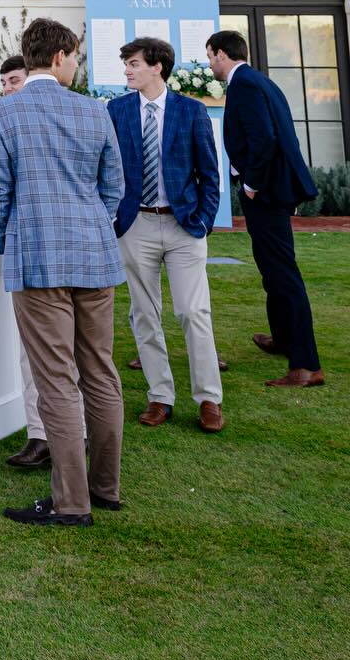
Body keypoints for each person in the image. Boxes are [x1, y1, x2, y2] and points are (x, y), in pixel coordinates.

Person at [0, 17, 125, 528]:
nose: (77, 65)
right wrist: (92, 226)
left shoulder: (2, 113)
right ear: (60, 56)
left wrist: (10, 243)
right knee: (100, 372)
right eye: (77, 57)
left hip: (38, 257)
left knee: (57, 382)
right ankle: (105, 488)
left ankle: (72, 503)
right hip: (95, 255)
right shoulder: (95, 111)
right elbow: (114, 188)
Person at [106, 37, 224, 433]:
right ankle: (160, 396)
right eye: (127, 64)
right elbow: (107, 167)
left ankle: (209, 397)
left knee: (193, 312)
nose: (127, 71)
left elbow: (210, 173)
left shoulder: (191, 111)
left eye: (133, 64)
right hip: (134, 224)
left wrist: (204, 220)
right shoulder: (117, 110)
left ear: (158, 67)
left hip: (183, 224)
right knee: (144, 315)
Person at [208, 29, 324, 388]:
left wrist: (251, 184)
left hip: (268, 193)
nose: (209, 63)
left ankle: (306, 365)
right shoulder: (259, 81)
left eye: (211, 56)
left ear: (222, 54)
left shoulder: (244, 85)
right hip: (274, 189)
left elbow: (265, 139)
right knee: (270, 266)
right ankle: (283, 338)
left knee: (283, 272)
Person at [0, 51, 83, 473]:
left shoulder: (77, 112)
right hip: (51, 246)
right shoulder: (3, 116)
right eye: (5, 83)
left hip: (54, 248)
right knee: (39, 355)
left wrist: (5, 239)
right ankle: (42, 435)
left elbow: (108, 184)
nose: (9, 89)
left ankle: (70, 444)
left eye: (14, 79)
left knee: (61, 356)